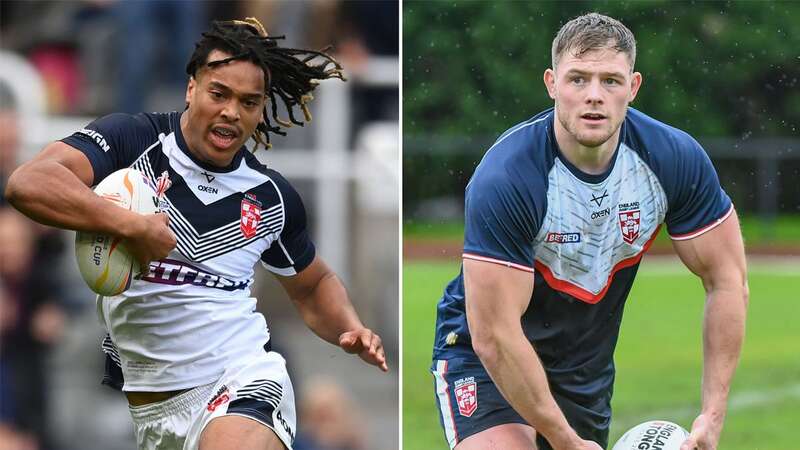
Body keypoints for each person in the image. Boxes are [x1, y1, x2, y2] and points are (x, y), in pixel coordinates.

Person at [5, 17, 388, 450]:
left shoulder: (270, 196)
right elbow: (27, 184)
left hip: (242, 379)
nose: (231, 111)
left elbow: (312, 282)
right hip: (153, 413)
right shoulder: (133, 141)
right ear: (192, 87)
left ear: (260, 109)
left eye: (248, 102)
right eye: (219, 93)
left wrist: (351, 327)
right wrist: (130, 225)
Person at [430, 13, 747, 450]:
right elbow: (494, 335)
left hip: (584, 371)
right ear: (552, 83)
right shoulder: (507, 177)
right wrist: (563, 439)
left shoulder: (673, 158)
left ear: (633, 87)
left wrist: (712, 416)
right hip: (483, 357)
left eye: (610, 81)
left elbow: (727, 280)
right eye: (578, 79)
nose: (594, 96)